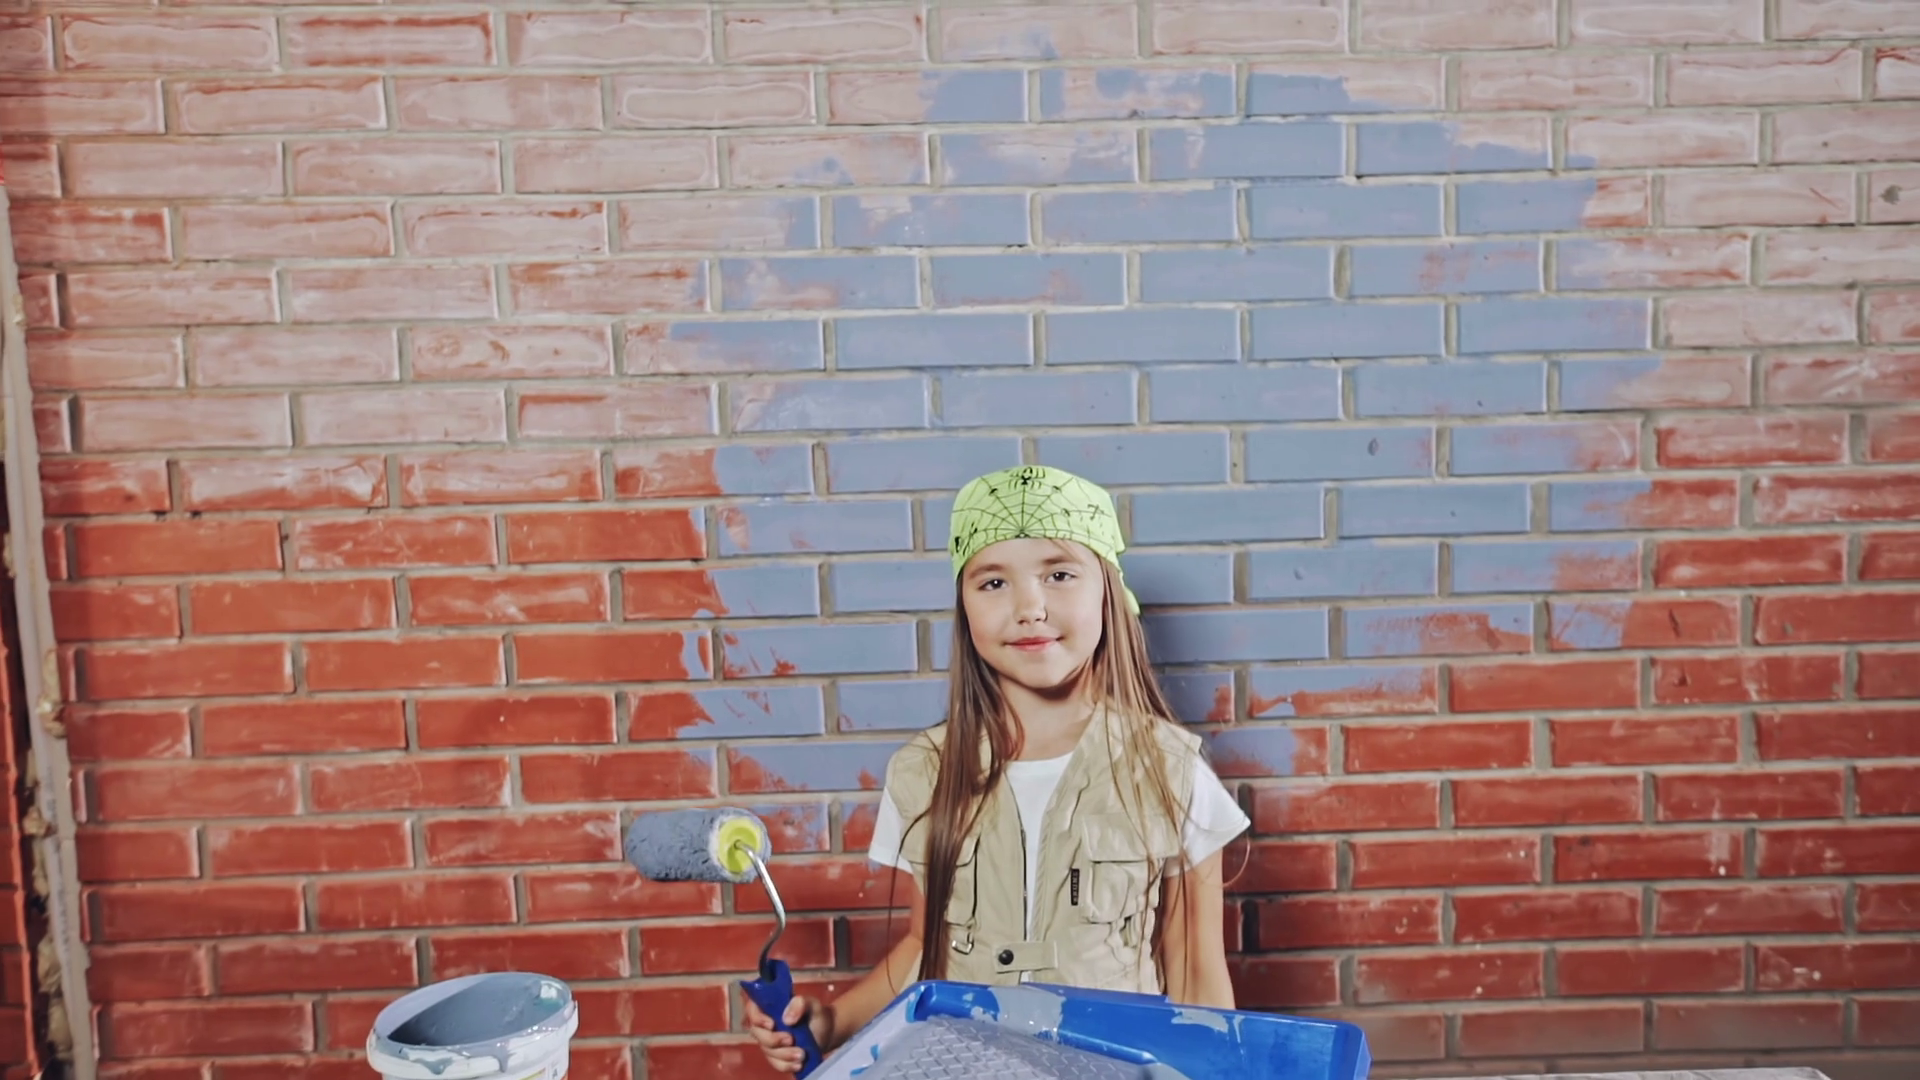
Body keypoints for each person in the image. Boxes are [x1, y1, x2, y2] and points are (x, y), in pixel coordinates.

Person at [743, 465, 1251, 1073]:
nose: (1029, 608)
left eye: (1059, 574)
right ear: (964, 606)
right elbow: (923, 947)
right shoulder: (923, 772)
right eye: (992, 582)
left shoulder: (1171, 769)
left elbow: (1196, 973)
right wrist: (833, 1021)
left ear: (1109, 592)